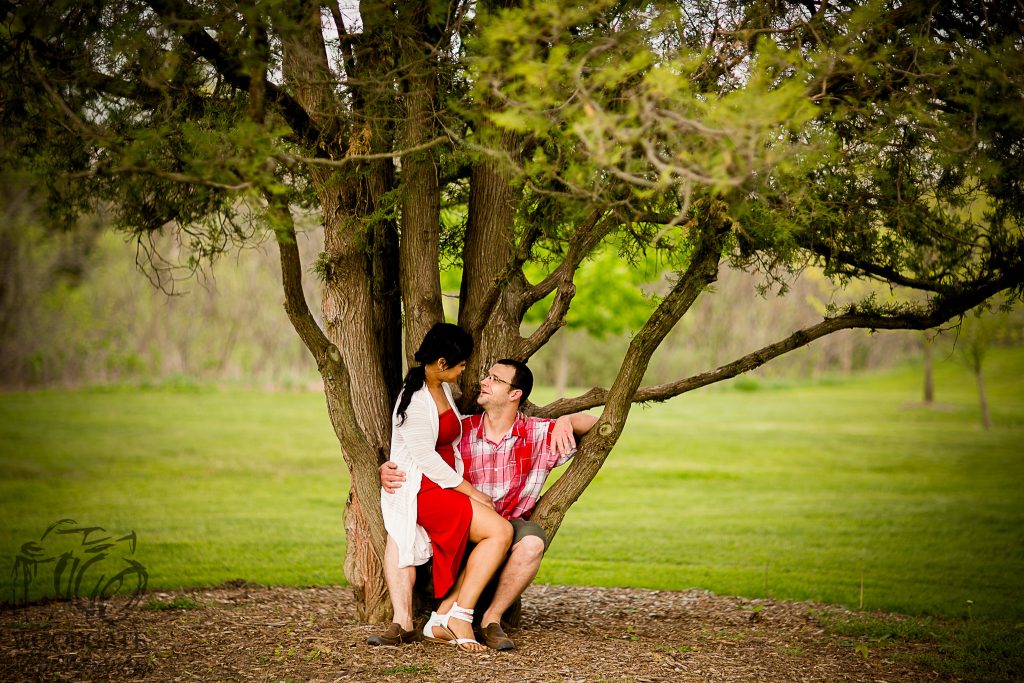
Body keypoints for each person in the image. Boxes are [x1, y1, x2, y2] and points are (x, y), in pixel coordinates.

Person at [369, 357, 597, 650]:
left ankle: (491, 620)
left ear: (515, 394)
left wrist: (568, 420)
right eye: (487, 376)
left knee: (531, 544)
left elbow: (602, 425)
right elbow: (417, 454)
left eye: (495, 379)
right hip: (462, 518)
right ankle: (404, 623)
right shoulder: (460, 430)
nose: (484, 382)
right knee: (401, 528)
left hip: (507, 522)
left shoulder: (539, 434)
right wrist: (387, 470)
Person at [376, 323, 514, 653]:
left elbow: (446, 440)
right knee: (500, 532)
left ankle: (444, 618)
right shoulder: (415, 400)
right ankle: (458, 617)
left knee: (498, 533)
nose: (464, 370)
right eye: (461, 364)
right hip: (423, 489)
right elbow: (426, 459)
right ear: (441, 363)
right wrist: (473, 492)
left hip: (443, 485)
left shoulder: (441, 390)